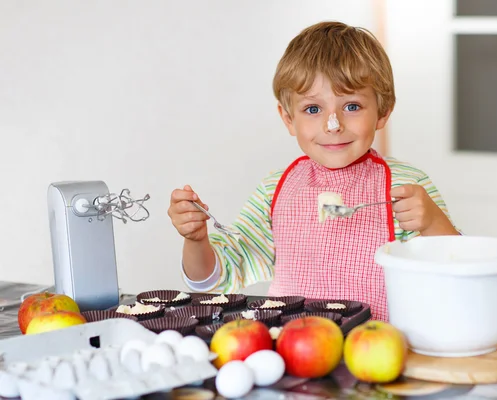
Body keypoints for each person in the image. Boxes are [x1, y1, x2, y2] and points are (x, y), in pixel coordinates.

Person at [167, 21, 460, 321]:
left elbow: (459, 275)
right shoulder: (276, 189)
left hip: (378, 355)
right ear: (288, 118)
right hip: (294, 352)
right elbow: (214, 279)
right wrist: (196, 240)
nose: (333, 125)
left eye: (352, 106)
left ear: (383, 111)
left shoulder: (405, 185)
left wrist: (433, 222)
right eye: (312, 109)